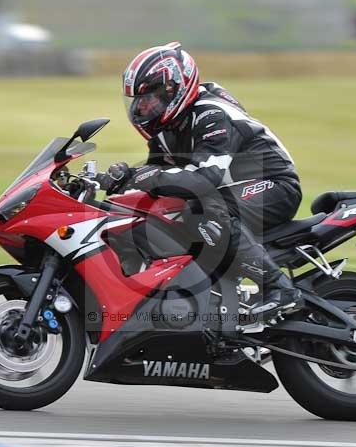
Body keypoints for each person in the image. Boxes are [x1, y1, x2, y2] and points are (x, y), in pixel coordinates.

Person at [101, 42, 303, 318]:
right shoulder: (165, 130)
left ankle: (280, 288)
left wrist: (149, 176)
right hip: (228, 193)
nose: (141, 107)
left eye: (149, 98)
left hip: (274, 185)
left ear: (174, 89)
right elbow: (158, 178)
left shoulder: (210, 114)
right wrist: (119, 180)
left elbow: (205, 178)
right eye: (137, 100)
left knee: (201, 208)